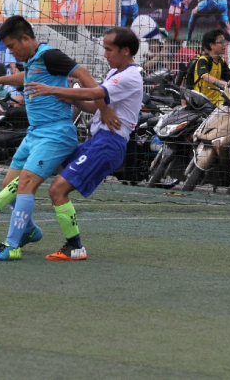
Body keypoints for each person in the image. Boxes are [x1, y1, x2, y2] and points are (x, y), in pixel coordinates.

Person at [0, 15, 119, 262]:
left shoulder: (50, 56)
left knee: (25, 185)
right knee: (8, 186)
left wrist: (103, 107)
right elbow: (24, 79)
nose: (11, 52)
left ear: (25, 38)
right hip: (34, 134)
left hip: (55, 134)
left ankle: (11, 245)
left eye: (12, 46)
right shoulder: (35, 61)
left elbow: (84, 73)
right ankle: (29, 230)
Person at [20, 26, 143, 260]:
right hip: (99, 141)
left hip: (108, 144)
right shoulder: (116, 71)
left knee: (57, 189)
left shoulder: (129, 76)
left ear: (125, 50)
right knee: (48, 163)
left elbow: (92, 93)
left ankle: (74, 246)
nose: (105, 54)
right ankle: (0, 205)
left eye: (109, 49)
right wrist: (66, 96)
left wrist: (51, 89)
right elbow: (94, 104)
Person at [187, 28, 230, 106]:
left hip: (217, 100)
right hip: (202, 103)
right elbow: (205, 76)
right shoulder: (203, 60)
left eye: (224, 42)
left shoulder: (221, 61)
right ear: (211, 45)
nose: (225, 44)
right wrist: (224, 83)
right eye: (221, 42)